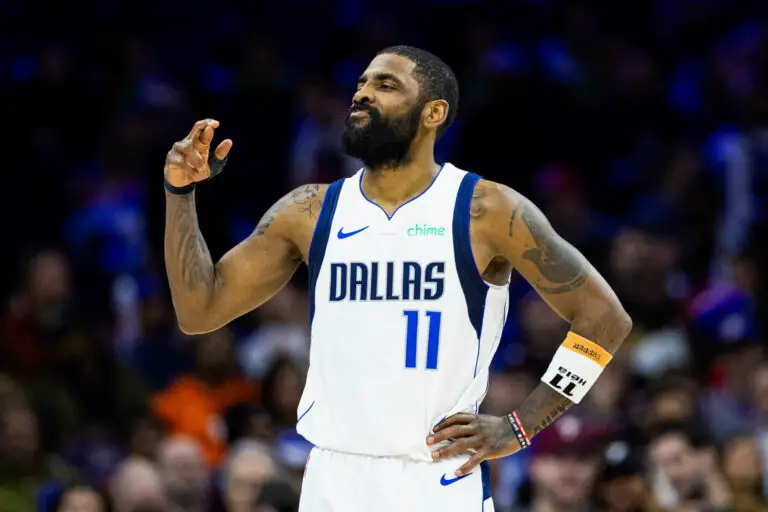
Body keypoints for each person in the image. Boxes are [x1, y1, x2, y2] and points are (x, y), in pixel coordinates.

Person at [163, 45, 632, 511]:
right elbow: (199, 312)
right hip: (334, 477)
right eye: (361, 84)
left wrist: (521, 426)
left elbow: (604, 319)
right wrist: (180, 193)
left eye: (385, 85)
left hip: (436, 477)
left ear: (433, 112)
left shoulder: (485, 209)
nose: (363, 94)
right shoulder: (309, 211)